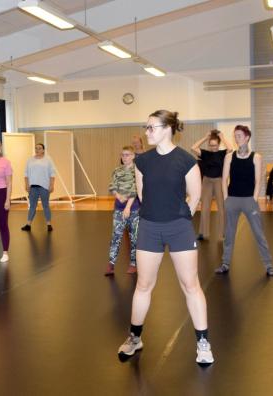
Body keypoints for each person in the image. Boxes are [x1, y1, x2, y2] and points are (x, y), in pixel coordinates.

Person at [118, 110, 214, 365]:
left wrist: (181, 218)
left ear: (168, 128)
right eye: (146, 127)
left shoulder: (186, 161)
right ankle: (135, 338)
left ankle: (203, 342)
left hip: (179, 228)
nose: (147, 132)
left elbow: (195, 196)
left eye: (151, 127)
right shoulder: (143, 162)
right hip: (149, 227)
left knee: (190, 285)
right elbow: (142, 194)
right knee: (143, 285)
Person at [215, 125, 273, 277]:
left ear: (247, 137)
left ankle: (269, 265)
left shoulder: (256, 157)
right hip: (233, 199)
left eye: (239, 136)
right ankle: (225, 263)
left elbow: (258, 181)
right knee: (229, 234)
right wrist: (226, 199)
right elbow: (224, 180)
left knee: (258, 233)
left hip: (250, 200)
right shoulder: (229, 157)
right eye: (235, 136)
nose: (237, 139)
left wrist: (255, 198)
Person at [191, 130, 233, 241]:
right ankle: (202, 233)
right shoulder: (205, 153)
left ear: (218, 144)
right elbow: (193, 148)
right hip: (207, 181)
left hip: (219, 181)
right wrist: (205, 138)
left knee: (221, 207)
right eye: (211, 145)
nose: (213, 147)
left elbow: (230, 148)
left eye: (215, 145)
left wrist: (222, 137)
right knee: (204, 207)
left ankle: (223, 233)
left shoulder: (222, 153)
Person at [105, 146, 139, 276]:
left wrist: (128, 207)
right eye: (123, 155)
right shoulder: (117, 170)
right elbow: (112, 186)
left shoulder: (137, 171)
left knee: (134, 238)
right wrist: (119, 196)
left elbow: (135, 189)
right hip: (119, 208)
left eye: (127, 155)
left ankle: (133, 263)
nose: (125, 157)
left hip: (134, 209)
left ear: (133, 156)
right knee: (116, 236)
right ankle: (111, 264)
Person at [21, 143, 56, 232]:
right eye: (36, 148)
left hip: (44, 186)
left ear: (43, 150)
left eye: (40, 148)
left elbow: (52, 173)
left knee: (45, 205)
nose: (37, 150)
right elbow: (26, 173)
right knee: (32, 206)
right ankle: (28, 225)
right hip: (33, 187)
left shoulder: (48, 160)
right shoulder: (30, 160)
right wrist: (27, 184)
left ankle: (49, 224)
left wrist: (51, 185)